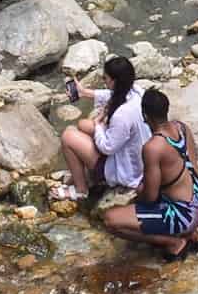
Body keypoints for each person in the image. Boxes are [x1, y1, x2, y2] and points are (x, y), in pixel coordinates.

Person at [98, 88, 198, 257]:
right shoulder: (182, 128)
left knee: (110, 219)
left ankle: (174, 242)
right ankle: (189, 233)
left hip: (185, 214)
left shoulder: (153, 147)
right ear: (166, 110)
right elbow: (193, 168)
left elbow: (150, 197)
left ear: (145, 116)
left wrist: (138, 195)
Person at [59, 55, 147, 200]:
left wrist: (99, 125)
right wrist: (84, 92)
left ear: (114, 81)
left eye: (105, 78)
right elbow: (113, 94)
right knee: (83, 125)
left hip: (125, 171)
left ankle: (81, 190)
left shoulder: (122, 115)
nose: (103, 81)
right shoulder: (138, 93)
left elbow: (107, 147)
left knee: (68, 135)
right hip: (138, 159)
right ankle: (82, 169)